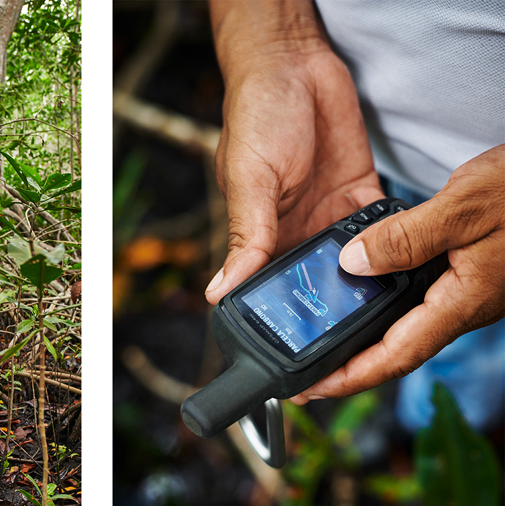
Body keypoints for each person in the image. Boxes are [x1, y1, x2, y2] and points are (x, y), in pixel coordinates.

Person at [205, 1, 504, 429]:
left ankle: (439, 429)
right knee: (433, 330)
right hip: (344, 153)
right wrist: (271, 41)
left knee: (473, 346)